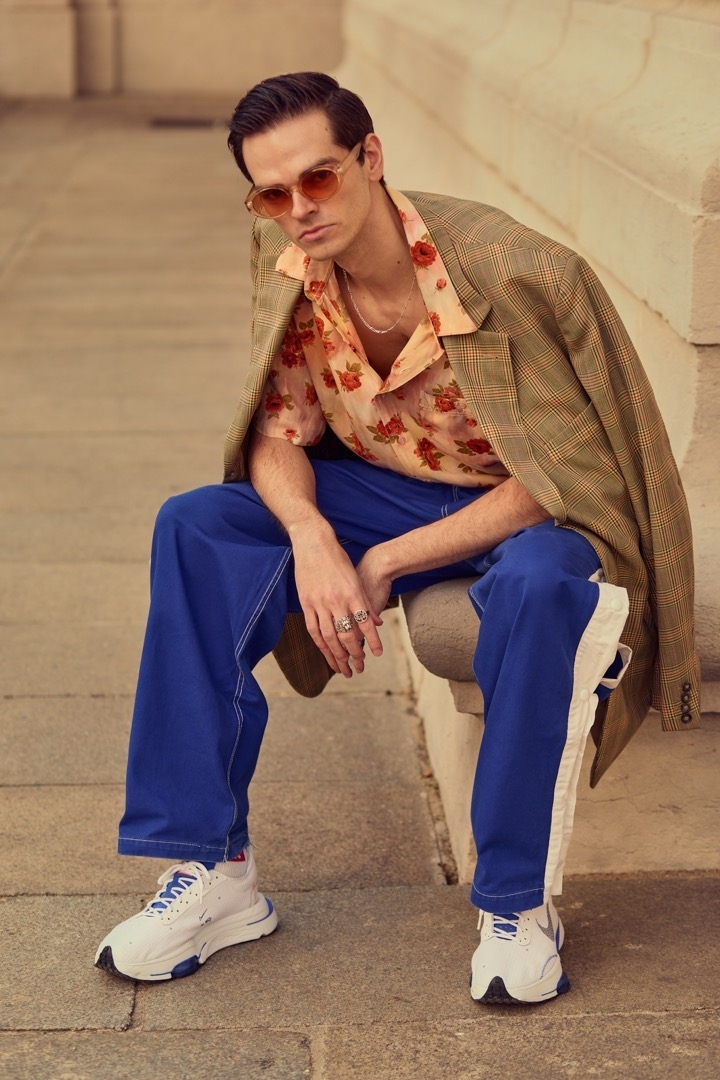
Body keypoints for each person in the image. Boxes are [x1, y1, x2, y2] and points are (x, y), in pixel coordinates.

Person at [95, 72, 699, 1004]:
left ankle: (516, 903)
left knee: (543, 591)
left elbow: (563, 476)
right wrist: (311, 536)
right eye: (272, 193)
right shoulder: (288, 255)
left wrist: (382, 562)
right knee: (198, 526)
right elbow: (278, 428)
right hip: (383, 487)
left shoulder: (514, 271)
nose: (299, 209)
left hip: (523, 507)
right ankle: (214, 872)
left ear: (371, 158)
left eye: (319, 178)